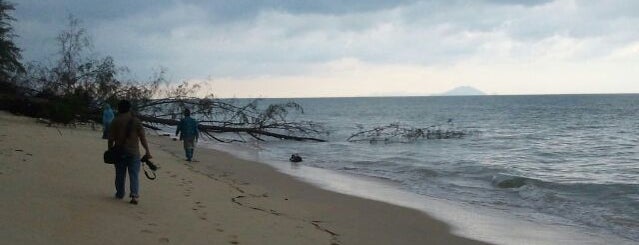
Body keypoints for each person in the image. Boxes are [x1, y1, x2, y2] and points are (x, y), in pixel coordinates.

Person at [108, 100, 152, 205]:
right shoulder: (136, 121)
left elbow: (111, 139)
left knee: (120, 174)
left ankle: (120, 193)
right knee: (134, 174)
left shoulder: (115, 121)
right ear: (129, 108)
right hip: (134, 152)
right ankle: (134, 195)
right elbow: (142, 138)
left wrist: (110, 150)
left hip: (119, 151)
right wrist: (147, 151)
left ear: (119, 109)